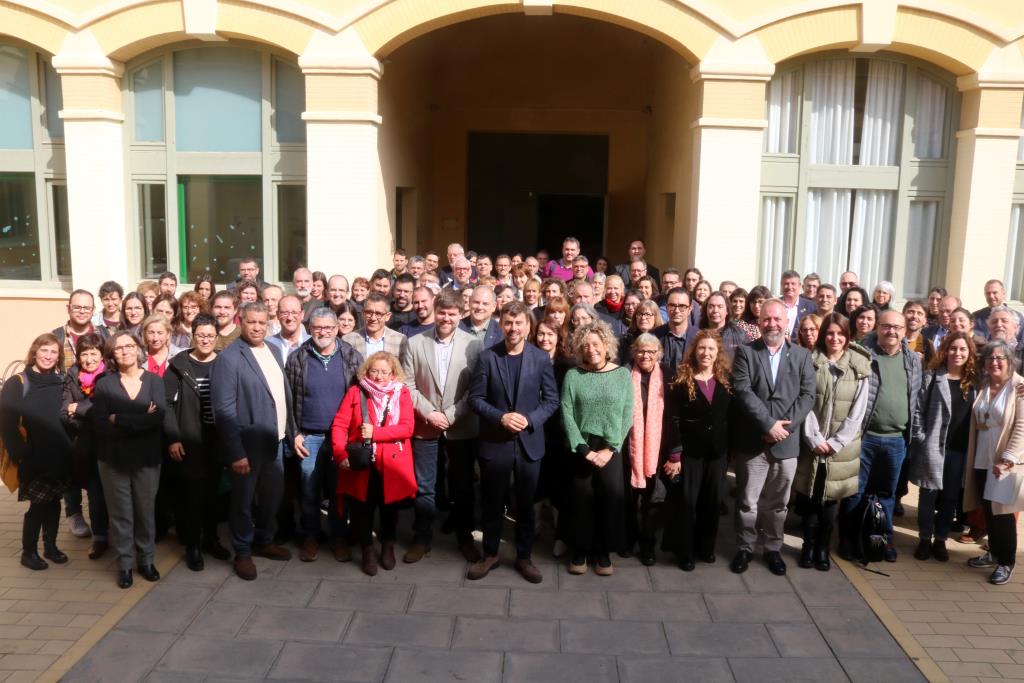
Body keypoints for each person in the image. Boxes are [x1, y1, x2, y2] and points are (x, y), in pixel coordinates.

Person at [466, 301, 560, 582]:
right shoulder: (487, 357)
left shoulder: (541, 358)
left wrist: (529, 420)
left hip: (529, 442)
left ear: (528, 326)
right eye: (508, 322)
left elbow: (551, 400)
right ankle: (490, 554)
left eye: (519, 323)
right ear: (501, 324)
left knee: (526, 503)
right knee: (493, 502)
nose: (513, 328)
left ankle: (524, 556)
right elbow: (475, 399)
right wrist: (501, 418)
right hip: (496, 442)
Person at [730, 299, 816, 576]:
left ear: (786, 322)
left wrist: (783, 430)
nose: (772, 324)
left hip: (786, 443)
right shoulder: (745, 353)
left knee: (778, 504)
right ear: (758, 322)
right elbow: (742, 390)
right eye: (767, 319)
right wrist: (768, 425)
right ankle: (744, 547)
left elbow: (807, 396)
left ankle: (772, 548)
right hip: (753, 441)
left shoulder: (802, 356)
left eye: (777, 319)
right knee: (747, 501)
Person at [211, 302, 294, 581]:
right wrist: (235, 452)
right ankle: (243, 551)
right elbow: (223, 410)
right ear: (240, 321)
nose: (257, 327)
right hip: (247, 447)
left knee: (272, 497)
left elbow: (280, 395)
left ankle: (264, 539)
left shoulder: (272, 349)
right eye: (251, 322)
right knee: (243, 502)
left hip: (276, 441)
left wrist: (291, 433)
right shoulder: (230, 358)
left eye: (262, 322)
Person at [401, 290, 484, 564]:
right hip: (425, 426)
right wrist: (429, 413)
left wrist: (448, 415)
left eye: (452, 314)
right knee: (425, 486)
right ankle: (422, 537)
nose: (446, 318)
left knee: (462, 485)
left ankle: (464, 538)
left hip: (461, 426)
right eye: (442, 313)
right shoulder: (414, 343)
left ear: (461, 315)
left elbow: (475, 390)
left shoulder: (474, 345)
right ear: (435, 312)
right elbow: (407, 385)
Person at [838, 310, 922, 562]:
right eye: (886, 326)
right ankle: (847, 539)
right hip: (866, 438)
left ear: (905, 331)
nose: (892, 331)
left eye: (897, 327)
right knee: (855, 492)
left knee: (887, 494)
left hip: (897, 440)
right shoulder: (864, 354)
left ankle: (881, 540)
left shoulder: (912, 360)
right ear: (877, 328)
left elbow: (916, 399)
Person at [285, 308, 362, 562]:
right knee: (309, 489)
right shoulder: (297, 358)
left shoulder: (352, 356)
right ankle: (311, 536)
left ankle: (338, 538)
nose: (323, 332)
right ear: (310, 328)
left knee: (339, 490)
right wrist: (294, 433)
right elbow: (288, 400)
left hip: (341, 438)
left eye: (328, 328)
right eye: (318, 327)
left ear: (338, 328)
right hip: (309, 436)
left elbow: (360, 398)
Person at [795, 313, 870, 571]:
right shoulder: (809, 361)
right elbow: (804, 403)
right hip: (812, 443)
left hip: (842, 447)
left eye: (840, 333)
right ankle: (807, 546)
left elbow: (858, 411)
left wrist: (837, 442)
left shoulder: (859, 365)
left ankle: (823, 548)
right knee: (810, 499)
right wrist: (814, 437)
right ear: (822, 335)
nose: (834, 338)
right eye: (829, 333)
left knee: (831, 502)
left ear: (847, 336)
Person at [92, 330, 166, 588]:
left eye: (129, 346)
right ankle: (124, 564)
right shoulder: (104, 383)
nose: (125, 351)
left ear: (138, 349)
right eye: (119, 348)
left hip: (147, 459)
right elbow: (100, 423)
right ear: (112, 354)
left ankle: (146, 560)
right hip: (113, 459)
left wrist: (120, 418)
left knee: (145, 512)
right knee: (121, 514)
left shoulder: (155, 381)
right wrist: (139, 418)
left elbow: (158, 418)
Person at [331, 351, 416, 576]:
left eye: (384, 372)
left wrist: (376, 433)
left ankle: (388, 546)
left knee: (390, 509)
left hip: (392, 464)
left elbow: (408, 428)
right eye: (374, 371)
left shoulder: (402, 393)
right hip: (361, 463)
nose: (379, 376)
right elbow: (340, 425)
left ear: (393, 374)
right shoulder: (355, 392)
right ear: (366, 371)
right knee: (362, 509)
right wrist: (340, 454)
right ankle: (367, 550)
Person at [560, 321, 634, 576]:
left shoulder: (622, 375)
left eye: (596, 344)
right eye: (586, 345)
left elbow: (627, 413)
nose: (591, 349)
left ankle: (603, 552)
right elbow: (567, 413)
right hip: (582, 447)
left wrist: (611, 449)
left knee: (608, 501)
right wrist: (583, 449)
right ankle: (579, 550)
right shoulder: (573, 375)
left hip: (610, 448)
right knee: (581, 502)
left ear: (607, 346)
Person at [163, 314, 231, 570]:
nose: (205, 340)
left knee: (213, 496)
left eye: (210, 336)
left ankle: (212, 539)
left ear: (217, 337)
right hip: (189, 442)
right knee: (192, 497)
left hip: (217, 441)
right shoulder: (178, 365)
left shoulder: (224, 363)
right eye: (200, 335)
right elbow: (166, 404)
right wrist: (173, 438)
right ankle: (192, 545)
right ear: (193, 336)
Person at [2, 334, 73, 571]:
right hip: (33, 458)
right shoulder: (19, 382)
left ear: (59, 356)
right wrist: (20, 453)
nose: (48, 356)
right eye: (44, 350)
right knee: (38, 506)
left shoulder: (61, 381)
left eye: (54, 352)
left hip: (60, 455)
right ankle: (28, 552)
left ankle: (50, 547)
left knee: (54, 503)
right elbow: (6, 423)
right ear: (35, 351)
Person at [664, 329, 732, 570]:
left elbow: (730, 418)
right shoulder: (683, 381)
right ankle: (685, 551)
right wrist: (675, 454)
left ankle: (706, 548)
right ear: (694, 351)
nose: (706, 353)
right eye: (702, 348)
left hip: (717, 453)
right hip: (689, 453)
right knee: (687, 503)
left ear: (718, 353)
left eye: (711, 349)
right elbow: (673, 419)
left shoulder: (726, 380)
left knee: (712, 502)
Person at [910, 332, 977, 562]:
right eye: (953, 348)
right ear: (945, 350)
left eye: (962, 349)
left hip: (960, 450)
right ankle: (924, 538)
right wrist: (920, 437)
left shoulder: (974, 381)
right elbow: (918, 409)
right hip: (933, 446)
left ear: (969, 354)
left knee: (950, 498)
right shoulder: (932, 377)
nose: (957, 353)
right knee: (928, 494)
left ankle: (940, 540)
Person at [963, 341, 1024, 585]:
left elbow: (1022, 427)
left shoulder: (1019, 387)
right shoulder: (984, 385)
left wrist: (1008, 460)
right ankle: (994, 552)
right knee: (988, 510)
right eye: (990, 358)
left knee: (1004, 514)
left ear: (1010, 361)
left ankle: (1006, 561)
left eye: (1000, 358)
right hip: (981, 459)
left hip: (1004, 462)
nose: (995, 362)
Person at [61, 333, 110, 560]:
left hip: (106, 444)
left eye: (93, 353)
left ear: (101, 354)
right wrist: (88, 417)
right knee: (89, 488)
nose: (89, 359)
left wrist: (78, 408)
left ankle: (107, 535)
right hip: (81, 444)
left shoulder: (109, 374)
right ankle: (94, 532)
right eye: (84, 354)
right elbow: (63, 412)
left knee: (104, 492)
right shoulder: (71, 375)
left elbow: (104, 408)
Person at [624, 334, 669, 566]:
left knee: (652, 502)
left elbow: (673, 416)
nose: (645, 356)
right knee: (629, 500)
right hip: (629, 448)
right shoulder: (624, 374)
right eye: (641, 351)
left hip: (657, 450)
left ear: (658, 353)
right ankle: (629, 538)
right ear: (634, 352)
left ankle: (648, 545)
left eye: (651, 351)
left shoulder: (667, 375)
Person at [342, 293, 409, 362]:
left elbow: (402, 371)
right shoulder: (348, 340)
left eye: (378, 314)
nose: (373, 318)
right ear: (363, 314)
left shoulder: (400, 340)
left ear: (387, 316)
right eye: (369, 312)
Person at [653, 288, 696, 376]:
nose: (676, 311)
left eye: (682, 306)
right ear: (666, 307)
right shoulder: (654, 336)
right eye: (672, 305)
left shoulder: (699, 338)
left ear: (690, 308)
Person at [699, 291, 747, 360]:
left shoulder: (740, 335)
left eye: (720, 306)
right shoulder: (697, 332)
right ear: (706, 309)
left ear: (727, 310)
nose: (715, 310)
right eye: (711, 306)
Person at [266, 295, 311, 365]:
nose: (289, 318)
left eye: (294, 312)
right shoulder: (267, 344)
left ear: (302, 315)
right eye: (285, 313)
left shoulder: (313, 343)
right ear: (277, 315)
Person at [780, 270, 816, 338]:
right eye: (786, 284)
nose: (790, 287)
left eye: (793, 284)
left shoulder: (811, 307)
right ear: (781, 286)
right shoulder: (774, 305)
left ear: (799, 286)